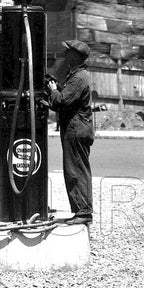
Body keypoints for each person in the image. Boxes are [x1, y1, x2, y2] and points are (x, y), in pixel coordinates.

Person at [46, 39, 94, 225]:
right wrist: (55, 89)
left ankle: (82, 212)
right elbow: (66, 99)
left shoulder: (79, 77)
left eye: (68, 52)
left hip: (76, 128)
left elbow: (62, 102)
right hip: (77, 127)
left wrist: (52, 90)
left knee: (75, 170)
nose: (65, 55)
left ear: (76, 56)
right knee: (78, 168)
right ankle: (82, 211)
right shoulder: (77, 76)